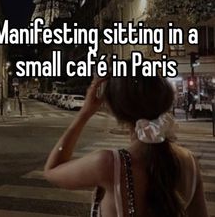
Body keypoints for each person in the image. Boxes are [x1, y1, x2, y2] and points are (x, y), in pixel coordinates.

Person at [44, 63, 208, 217]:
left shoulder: (108, 164)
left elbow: (52, 170)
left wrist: (84, 113)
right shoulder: (189, 161)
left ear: (115, 109)